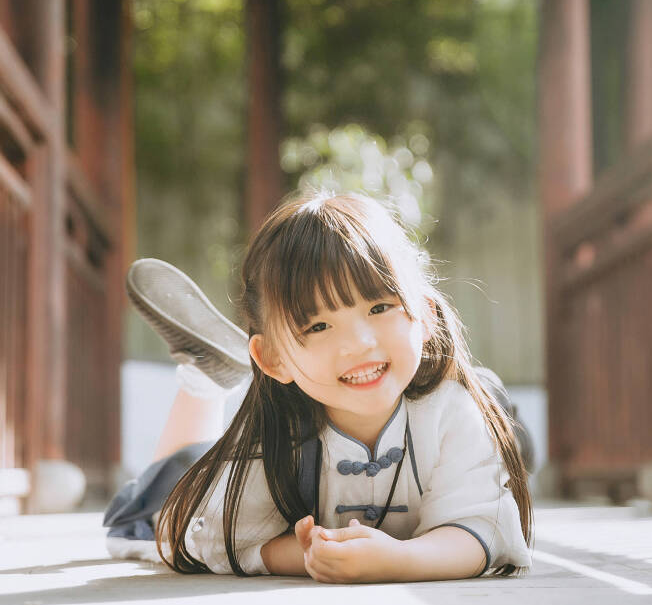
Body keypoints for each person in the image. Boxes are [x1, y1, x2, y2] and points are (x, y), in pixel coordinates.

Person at [104, 190, 535, 582]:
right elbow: (207, 537)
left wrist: (398, 561)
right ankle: (205, 380)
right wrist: (305, 554)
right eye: (319, 325)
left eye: (379, 306)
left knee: (487, 434)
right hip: (224, 460)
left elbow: (482, 530)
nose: (359, 345)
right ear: (272, 358)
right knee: (163, 511)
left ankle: (500, 416)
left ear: (423, 316)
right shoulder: (273, 440)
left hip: (466, 419)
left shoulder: (451, 412)